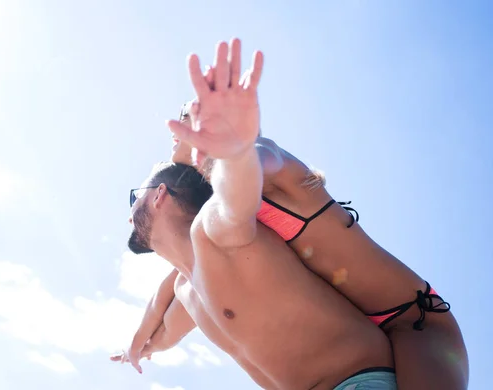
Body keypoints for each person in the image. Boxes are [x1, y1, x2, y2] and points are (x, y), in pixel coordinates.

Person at [113, 43, 469, 390]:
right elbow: (168, 295)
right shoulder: (204, 257)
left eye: (186, 114)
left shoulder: (260, 164)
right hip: (358, 338)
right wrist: (136, 346)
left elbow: (248, 168)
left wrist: (236, 147)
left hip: (414, 321)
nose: (176, 127)